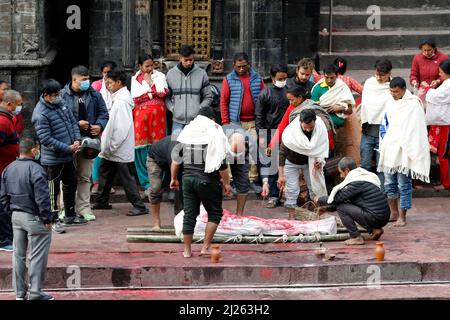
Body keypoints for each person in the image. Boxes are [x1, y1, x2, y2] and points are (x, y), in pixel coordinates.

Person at [170, 110, 232, 258]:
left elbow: (175, 160)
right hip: (208, 180)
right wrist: (227, 183)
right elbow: (222, 165)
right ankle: (205, 247)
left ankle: (186, 251)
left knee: (189, 214)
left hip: (188, 179)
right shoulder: (213, 134)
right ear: (211, 119)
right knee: (215, 213)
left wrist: (174, 178)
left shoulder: (187, 132)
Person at [0, 137, 54, 300]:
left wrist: (11, 213)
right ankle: (36, 292)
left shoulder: (8, 169)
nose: (38, 151)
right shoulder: (36, 169)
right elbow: (42, 197)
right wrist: (47, 218)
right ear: (33, 150)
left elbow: (2, 197)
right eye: (37, 148)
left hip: (16, 216)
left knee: (18, 255)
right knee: (37, 255)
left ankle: (19, 293)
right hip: (34, 217)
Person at [93, 70, 149, 216]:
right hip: (112, 146)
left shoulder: (122, 101)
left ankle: (139, 206)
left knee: (127, 178)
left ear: (119, 83)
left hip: (118, 146)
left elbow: (122, 128)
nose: (108, 85)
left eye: (110, 82)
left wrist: (112, 146)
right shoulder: (118, 98)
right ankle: (101, 200)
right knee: (105, 173)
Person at [32, 79, 85, 232]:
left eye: (58, 94)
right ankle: (53, 219)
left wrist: (77, 140)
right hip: (53, 160)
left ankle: (70, 215)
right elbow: (46, 140)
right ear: (46, 95)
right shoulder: (40, 114)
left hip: (69, 155)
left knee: (70, 185)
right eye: (54, 95)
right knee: (52, 191)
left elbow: (73, 122)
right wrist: (68, 148)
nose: (57, 97)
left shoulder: (61, 103)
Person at [378, 77, 430, 227]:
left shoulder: (413, 104)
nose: (393, 94)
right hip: (390, 148)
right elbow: (385, 123)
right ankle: (393, 213)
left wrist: (410, 147)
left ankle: (403, 216)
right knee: (389, 184)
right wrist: (385, 140)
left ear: (402, 89)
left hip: (405, 150)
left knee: (404, 184)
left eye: (395, 92)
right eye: (391, 91)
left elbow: (417, 129)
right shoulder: (390, 102)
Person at [61, 66, 109, 222]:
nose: (87, 82)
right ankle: (65, 208)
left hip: (90, 142)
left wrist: (99, 125)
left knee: (85, 175)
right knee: (67, 177)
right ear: (74, 79)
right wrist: (76, 124)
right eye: (83, 79)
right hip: (69, 142)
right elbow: (59, 119)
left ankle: (84, 208)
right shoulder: (62, 95)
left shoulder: (94, 95)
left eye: (88, 79)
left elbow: (104, 113)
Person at [316, 157, 390, 246]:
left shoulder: (355, 182)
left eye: (341, 173)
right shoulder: (363, 176)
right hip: (382, 217)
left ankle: (355, 237)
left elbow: (337, 199)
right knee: (345, 205)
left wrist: (319, 199)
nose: (341, 176)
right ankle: (375, 229)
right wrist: (327, 208)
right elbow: (345, 200)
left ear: (347, 170)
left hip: (376, 217)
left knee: (342, 208)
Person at [220, 52, 265, 193]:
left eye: (244, 66)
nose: (241, 69)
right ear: (234, 65)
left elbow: (264, 98)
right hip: (235, 123)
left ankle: (251, 179)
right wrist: (226, 122)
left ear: (248, 64)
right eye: (238, 66)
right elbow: (223, 102)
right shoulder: (228, 79)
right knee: (233, 152)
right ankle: (232, 181)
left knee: (253, 150)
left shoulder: (257, 78)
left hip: (252, 122)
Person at [410, 37, 449, 190]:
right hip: (427, 104)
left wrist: (435, 83)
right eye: (423, 50)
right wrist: (415, 82)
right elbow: (413, 74)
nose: (426, 53)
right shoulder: (417, 58)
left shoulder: (444, 60)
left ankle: (445, 181)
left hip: (439, 112)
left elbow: (438, 93)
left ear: (435, 49)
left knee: (442, 153)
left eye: (429, 50)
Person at [278, 109, 329, 220]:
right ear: (300, 122)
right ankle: (291, 216)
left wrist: (319, 160)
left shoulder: (320, 129)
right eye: (305, 127)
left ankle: (317, 215)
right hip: (291, 162)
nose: (308, 129)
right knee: (292, 190)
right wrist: (281, 175)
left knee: (315, 188)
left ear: (315, 122)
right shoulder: (291, 132)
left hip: (309, 163)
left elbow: (322, 148)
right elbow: (281, 154)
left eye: (311, 127)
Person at [131, 54, 169, 191]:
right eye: (146, 66)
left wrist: (150, 84)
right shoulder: (135, 79)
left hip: (158, 117)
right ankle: (146, 182)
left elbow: (163, 93)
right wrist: (154, 93)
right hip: (141, 118)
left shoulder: (160, 77)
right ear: (140, 66)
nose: (149, 68)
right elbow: (136, 98)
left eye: (151, 65)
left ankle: (158, 181)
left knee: (159, 147)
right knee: (141, 148)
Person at [255, 64, 290, 208]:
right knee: (271, 165)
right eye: (280, 78)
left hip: (286, 133)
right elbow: (259, 116)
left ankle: (285, 195)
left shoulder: (289, 92)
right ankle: (273, 195)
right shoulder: (265, 94)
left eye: (285, 78)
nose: (282, 81)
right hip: (269, 133)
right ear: (273, 78)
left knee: (286, 165)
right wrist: (261, 134)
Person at [222, 122, 270, 216]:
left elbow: (262, 162)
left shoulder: (251, 142)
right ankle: (215, 214)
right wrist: (225, 182)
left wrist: (265, 182)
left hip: (242, 157)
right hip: (222, 155)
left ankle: (239, 215)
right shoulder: (220, 138)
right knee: (214, 182)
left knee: (243, 182)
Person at [359, 59, 393, 190]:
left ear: (389, 73)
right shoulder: (369, 83)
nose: (379, 77)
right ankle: (365, 192)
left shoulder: (393, 86)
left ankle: (381, 193)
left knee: (382, 166)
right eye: (377, 74)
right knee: (365, 165)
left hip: (385, 133)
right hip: (368, 131)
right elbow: (366, 106)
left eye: (382, 75)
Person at [165, 45, 213, 133]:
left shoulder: (202, 74)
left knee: (195, 146)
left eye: (191, 60)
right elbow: (166, 97)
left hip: (196, 121)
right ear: (180, 58)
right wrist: (172, 108)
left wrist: (200, 108)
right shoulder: (171, 74)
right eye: (186, 60)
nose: (189, 62)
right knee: (176, 145)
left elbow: (208, 97)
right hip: (177, 121)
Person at [91, 61, 118, 194]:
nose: (107, 75)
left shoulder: (117, 86)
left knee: (109, 154)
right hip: (99, 123)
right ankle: (96, 183)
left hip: (114, 123)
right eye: (105, 72)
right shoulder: (96, 86)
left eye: (109, 72)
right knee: (97, 154)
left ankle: (107, 183)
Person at [147, 135, 183, 230]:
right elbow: (175, 167)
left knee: (182, 188)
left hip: (172, 161)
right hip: (155, 158)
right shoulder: (177, 147)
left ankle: (180, 222)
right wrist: (174, 179)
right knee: (156, 187)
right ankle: (156, 222)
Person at [0, 90, 21, 251]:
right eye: (18, 104)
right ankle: (4, 240)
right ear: (9, 104)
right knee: (3, 206)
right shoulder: (2, 122)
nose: (19, 107)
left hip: (7, 169)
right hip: (2, 170)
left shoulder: (8, 119)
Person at [425, 59, 450, 190]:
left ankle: (447, 183)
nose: (439, 74)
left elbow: (436, 96)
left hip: (447, 124)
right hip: (445, 122)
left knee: (444, 155)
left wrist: (428, 88)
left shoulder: (448, 85)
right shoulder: (446, 83)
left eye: (441, 72)